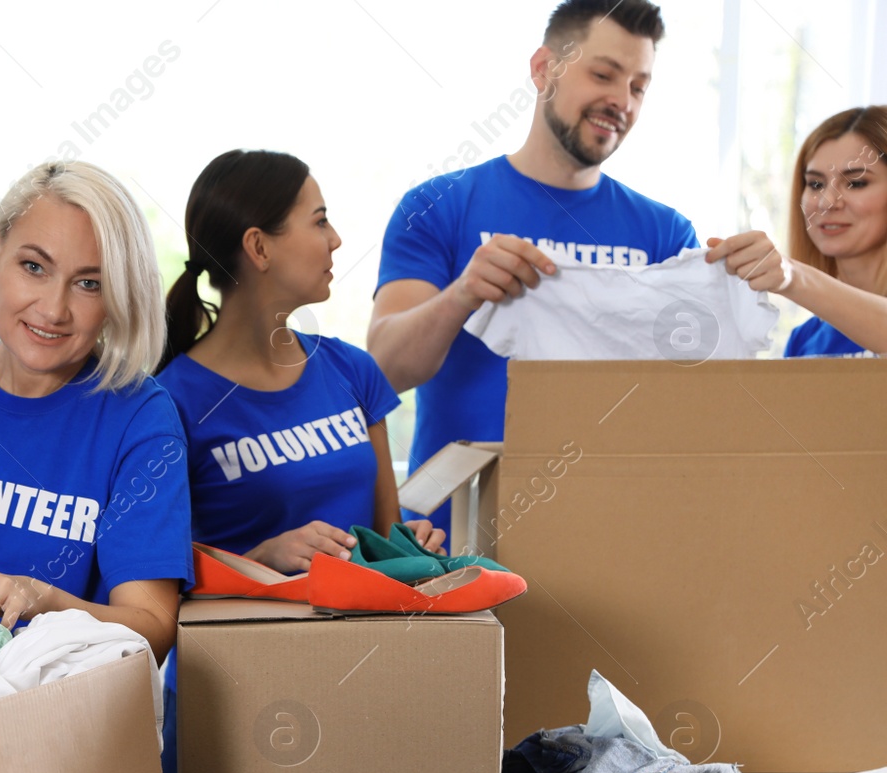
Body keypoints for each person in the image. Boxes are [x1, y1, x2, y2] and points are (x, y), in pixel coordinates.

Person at [367, 0, 696, 531]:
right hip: (453, 539)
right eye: (603, 74)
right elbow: (383, 369)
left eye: (638, 86)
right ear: (544, 69)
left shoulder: (665, 234)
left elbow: (690, 404)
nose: (621, 101)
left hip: (611, 531)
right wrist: (462, 295)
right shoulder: (438, 205)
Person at [0, 161, 192, 661]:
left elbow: (152, 625)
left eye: (89, 283)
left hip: (60, 709)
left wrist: (41, 600)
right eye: (35, 267)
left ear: (118, 297)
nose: (53, 309)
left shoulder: (141, 419)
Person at [159, 149, 441, 578]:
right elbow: (154, 588)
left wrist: (409, 543)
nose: (336, 239)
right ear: (258, 247)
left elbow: (387, 536)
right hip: (247, 644)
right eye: (320, 220)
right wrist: (260, 560)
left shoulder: (353, 371)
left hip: (368, 636)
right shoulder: (170, 403)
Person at [704, 106, 887, 358]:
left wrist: (790, 274)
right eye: (815, 184)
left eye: (856, 183)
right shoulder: (805, 341)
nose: (826, 202)